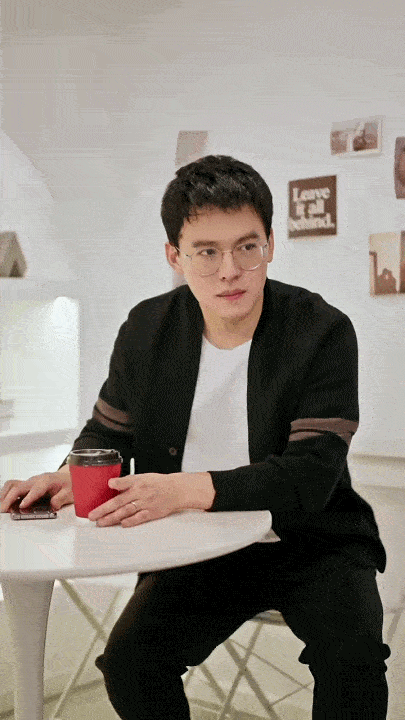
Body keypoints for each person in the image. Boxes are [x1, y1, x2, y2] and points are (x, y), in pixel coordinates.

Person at [0, 155, 390, 719]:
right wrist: (69, 475)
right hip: (195, 545)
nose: (230, 270)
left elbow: (311, 476)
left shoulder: (321, 330)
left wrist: (181, 489)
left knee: (353, 659)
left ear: (270, 246)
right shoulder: (147, 328)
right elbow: (108, 432)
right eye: (206, 252)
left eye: (247, 247)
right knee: (131, 664)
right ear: (175, 256)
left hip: (314, 541)